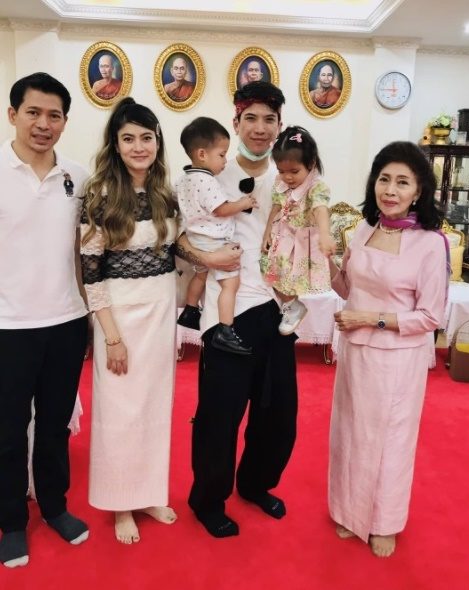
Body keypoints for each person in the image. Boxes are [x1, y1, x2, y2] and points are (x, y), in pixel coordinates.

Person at [177, 81, 298, 538]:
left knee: (278, 414)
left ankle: (255, 484)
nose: (260, 128)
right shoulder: (208, 174)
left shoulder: (290, 177)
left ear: (280, 125)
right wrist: (205, 258)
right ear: (237, 122)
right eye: (251, 118)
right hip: (227, 313)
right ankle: (208, 499)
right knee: (219, 415)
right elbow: (179, 238)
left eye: (269, 119)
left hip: (276, 308)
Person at [328, 141, 449, 558]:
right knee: (350, 432)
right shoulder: (364, 230)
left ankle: (384, 522)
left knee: (390, 439)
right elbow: (347, 287)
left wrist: (369, 318)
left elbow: (431, 316)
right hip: (355, 350)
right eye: (384, 179)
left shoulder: (430, 243)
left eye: (402, 182)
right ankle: (349, 511)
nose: (390, 190)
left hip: (397, 359)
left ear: (419, 191)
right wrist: (323, 258)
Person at [0, 73, 89, 568]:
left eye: (54, 115)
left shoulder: (78, 177)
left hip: (66, 320)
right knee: (7, 431)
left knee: (54, 426)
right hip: (7, 325)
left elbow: (85, 250)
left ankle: (55, 507)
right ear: (13, 114)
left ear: (64, 122)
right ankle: (12, 521)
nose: (43, 123)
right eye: (33, 112)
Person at [80, 97, 179, 544]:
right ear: (115, 145)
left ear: (157, 142)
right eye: (128, 139)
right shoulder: (100, 195)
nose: (139, 147)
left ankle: (148, 493)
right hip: (119, 317)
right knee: (120, 411)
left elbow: (175, 251)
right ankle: (121, 503)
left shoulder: (165, 193)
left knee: (156, 407)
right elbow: (91, 273)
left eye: (146, 137)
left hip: (161, 311)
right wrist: (112, 337)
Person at [176, 116, 257, 354]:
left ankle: (190, 310)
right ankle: (225, 329)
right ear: (202, 154)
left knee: (200, 275)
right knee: (230, 284)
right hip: (214, 241)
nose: (224, 161)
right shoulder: (207, 180)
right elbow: (220, 209)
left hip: (196, 238)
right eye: (221, 155)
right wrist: (243, 203)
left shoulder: (183, 179)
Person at [261, 125, 336, 335]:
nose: (287, 177)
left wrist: (325, 234)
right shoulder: (281, 182)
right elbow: (276, 206)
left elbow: (320, 209)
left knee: (286, 279)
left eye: (294, 171)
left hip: (302, 243)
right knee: (268, 275)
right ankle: (292, 306)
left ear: (311, 164)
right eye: (281, 171)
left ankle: (292, 306)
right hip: (283, 237)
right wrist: (267, 232)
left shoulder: (316, 187)